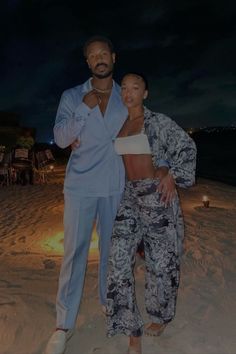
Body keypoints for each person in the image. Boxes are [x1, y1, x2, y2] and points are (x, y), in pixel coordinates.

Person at [44, 35, 128, 354]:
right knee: (74, 254)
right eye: (93, 56)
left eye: (103, 53)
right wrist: (83, 108)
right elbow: (62, 138)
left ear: (113, 57)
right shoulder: (72, 96)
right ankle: (63, 324)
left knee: (111, 250)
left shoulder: (126, 96)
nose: (99, 58)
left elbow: (139, 134)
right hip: (80, 186)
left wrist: (160, 168)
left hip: (114, 185)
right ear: (88, 62)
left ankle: (108, 303)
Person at [106, 73, 197, 354]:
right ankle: (130, 326)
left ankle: (159, 316)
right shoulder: (119, 124)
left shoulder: (158, 121)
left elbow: (186, 147)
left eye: (136, 87)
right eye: (124, 88)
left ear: (145, 93)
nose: (129, 92)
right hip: (129, 196)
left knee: (161, 262)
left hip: (155, 194)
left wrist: (170, 172)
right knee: (117, 258)